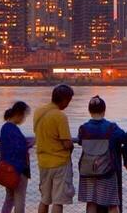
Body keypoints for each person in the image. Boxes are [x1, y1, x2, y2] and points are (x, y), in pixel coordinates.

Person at [77, 97, 127, 213]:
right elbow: (124, 138)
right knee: (112, 203)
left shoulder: (83, 128)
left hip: (88, 170)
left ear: (89, 111)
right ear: (104, 110)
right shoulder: (111, 127)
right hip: (107, 170)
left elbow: (80, 141)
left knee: (91, 202)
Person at [35, 84, 76, 213]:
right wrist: (72, 145)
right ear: (64, 99)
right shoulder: (60, 116)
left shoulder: (38, 112)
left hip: (43, 162)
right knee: (58, 201)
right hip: (59, 163)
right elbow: (66, 143)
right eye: (68, 101)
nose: (68, 104)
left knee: (45, 199)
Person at [0, 102, 31, 213]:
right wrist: (28, 144)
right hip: (18, 170)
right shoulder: (14, 129)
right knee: (20, 200)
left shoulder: (5, 128)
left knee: (9, 199)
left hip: (8, 169)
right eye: (24, 116)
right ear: (19, 114)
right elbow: (19, 149)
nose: (24, 119)